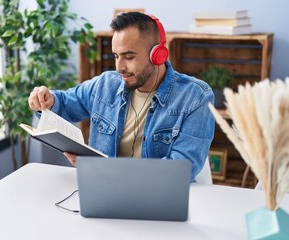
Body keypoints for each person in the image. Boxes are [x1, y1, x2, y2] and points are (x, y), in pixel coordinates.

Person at [28, 12, 215, 182]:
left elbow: (180, 169)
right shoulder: (105, 85)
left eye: (128, 57)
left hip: (158, 195)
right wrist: (48, 100)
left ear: (157, 55)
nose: (119, 67)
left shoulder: (196, 97)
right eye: (116, 56)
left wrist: (104, 169)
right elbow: (65, 104)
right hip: (104, 188)